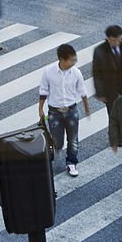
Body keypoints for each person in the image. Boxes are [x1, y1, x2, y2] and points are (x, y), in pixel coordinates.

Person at [37, 43, 91, 177]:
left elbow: (82, 91)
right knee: (57, 141)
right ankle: (58, 149)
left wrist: (86, 108)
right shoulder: (48, 72)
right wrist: (40, 109)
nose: (74, 62)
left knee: (73, 139)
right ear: (62, 59)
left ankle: (71, 162)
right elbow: (43, 90)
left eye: (74, 59)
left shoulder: (76, 73)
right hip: (54, 112)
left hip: (72, 110)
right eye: (71, 59)